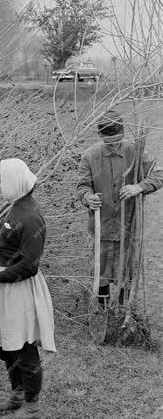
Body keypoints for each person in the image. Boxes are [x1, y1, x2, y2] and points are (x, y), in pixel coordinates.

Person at [0, 158, 56, 419]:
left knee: (23, 347)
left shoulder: (31, 216)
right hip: (5, 283)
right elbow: (11, 248)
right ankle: (18, 395)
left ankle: (32, 406)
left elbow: (29, 265)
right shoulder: (15, 208)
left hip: (19, 287)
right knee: (5, 344)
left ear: (12, 181)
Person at [77, 109, 163, 305]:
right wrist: (87, 197)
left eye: (118, 139)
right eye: (110, 141)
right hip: (102, 229)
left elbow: (158, 175)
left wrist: (138, 187)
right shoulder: (90, 156)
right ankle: (103, 311)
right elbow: (82, 186)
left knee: (127, 273)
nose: (115, 145)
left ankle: (125, 312)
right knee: (101, 273)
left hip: (129, 228)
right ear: (100, 135)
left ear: (124, 132)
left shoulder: (136, 151)